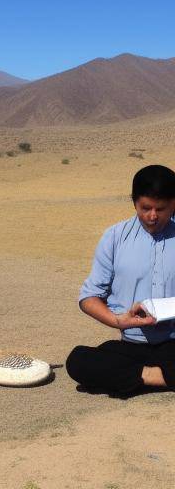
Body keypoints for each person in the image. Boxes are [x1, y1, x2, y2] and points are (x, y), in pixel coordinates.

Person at [66, 165, 175, 395]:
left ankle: (131, 379)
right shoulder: (114, 237)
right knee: (77, 360)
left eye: (161, 209)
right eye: (145, 208)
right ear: (134, 201)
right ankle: (156, 377)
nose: (152, 216)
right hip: (130, 346)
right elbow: (89, 297)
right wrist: (118, 321)